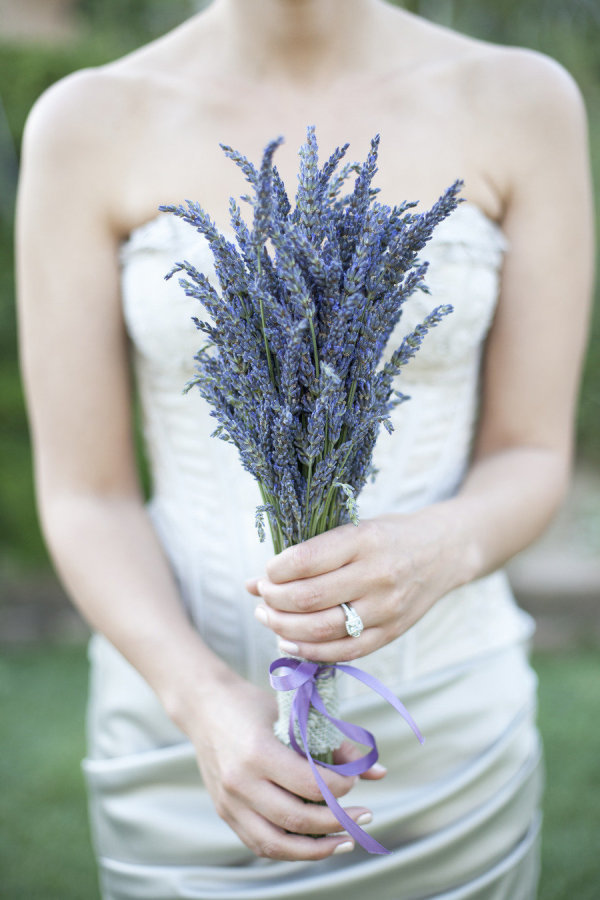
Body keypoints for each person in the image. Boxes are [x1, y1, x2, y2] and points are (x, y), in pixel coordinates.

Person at [16, 0, 594, 897]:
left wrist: (440, 549)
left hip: (445, 743)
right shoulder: (87, 120)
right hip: (183, 737)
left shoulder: (523, 101)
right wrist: (199, 700)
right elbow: (86, 494)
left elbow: (530, 448)